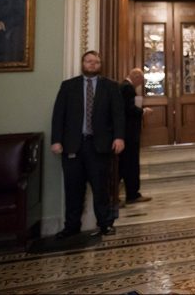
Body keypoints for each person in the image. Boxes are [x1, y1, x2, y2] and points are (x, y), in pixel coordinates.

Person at [50, 50, 125, 238]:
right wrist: (56, 140)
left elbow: (118, 115)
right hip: (72, 145)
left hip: (99, 145)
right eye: (89, 61)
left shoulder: (110, 87)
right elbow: (59, 115)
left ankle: (105, 224)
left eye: (96, 62)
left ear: (100, 65)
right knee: (73, 188)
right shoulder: (68, 86)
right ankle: (71, 226)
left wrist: (119, 137)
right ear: (82, 63)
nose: (92, 65)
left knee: (101, 188)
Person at [119, 68, 152, 205]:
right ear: (136, 77)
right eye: (141, 80)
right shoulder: (128, 88)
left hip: (127, 133)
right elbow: (129, 109)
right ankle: (132, 195)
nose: (141, 83)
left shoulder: (124, 86)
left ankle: (131, 194)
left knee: (126, 165)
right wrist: (143, 111)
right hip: (129, 133)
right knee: (130, 164)